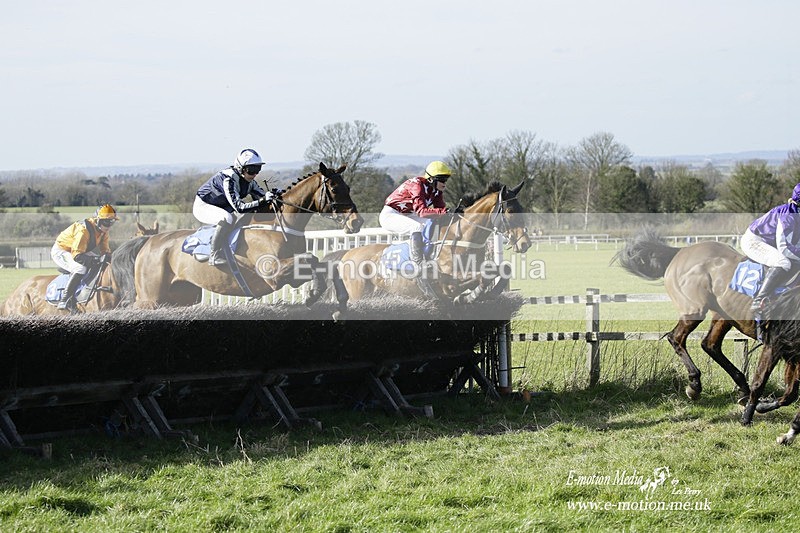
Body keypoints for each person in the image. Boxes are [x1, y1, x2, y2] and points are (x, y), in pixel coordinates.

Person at [193, 148, 275, 266]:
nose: (255, 173)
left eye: (258, 169)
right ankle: (214, 255)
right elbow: (240, 207)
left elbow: (262, 197)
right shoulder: (229, 179)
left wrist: (276, 196)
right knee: (227, 218)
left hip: (221, 206)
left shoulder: (250, 181)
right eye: (251, 170)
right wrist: (262, 200)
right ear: (240, 168)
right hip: (203, 205)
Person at [741, 182, 800, 318]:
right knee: (783, 262)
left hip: (770, 242)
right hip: (754, 241)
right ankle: (759, 300)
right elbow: (785, 248)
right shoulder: (788, 215)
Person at [380, 160, 452, 268]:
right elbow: (422, 212)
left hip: (408, 214)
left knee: (432, 224)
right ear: (431, 179)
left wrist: (453, 213)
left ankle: (431, 255)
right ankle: (417, 262)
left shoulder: (437, 191)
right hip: (390, 214)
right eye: (442, 180)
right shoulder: (417, 185)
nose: (444, 183)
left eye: (446, 180)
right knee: (417, 227)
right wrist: (445, 212)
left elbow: (441, 211)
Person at [51, 204, 118, 312]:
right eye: (106, 222)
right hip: (62, 250)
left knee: (102, 262)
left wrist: (107, 258)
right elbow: (77, 256)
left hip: (80, 251)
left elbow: (105, 251)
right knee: (80, 268)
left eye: (111, 222)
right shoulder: (83, 230)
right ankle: (66, 299)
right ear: (98, 220)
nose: (108, 226)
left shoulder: (104, 232)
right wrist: (95, 260)